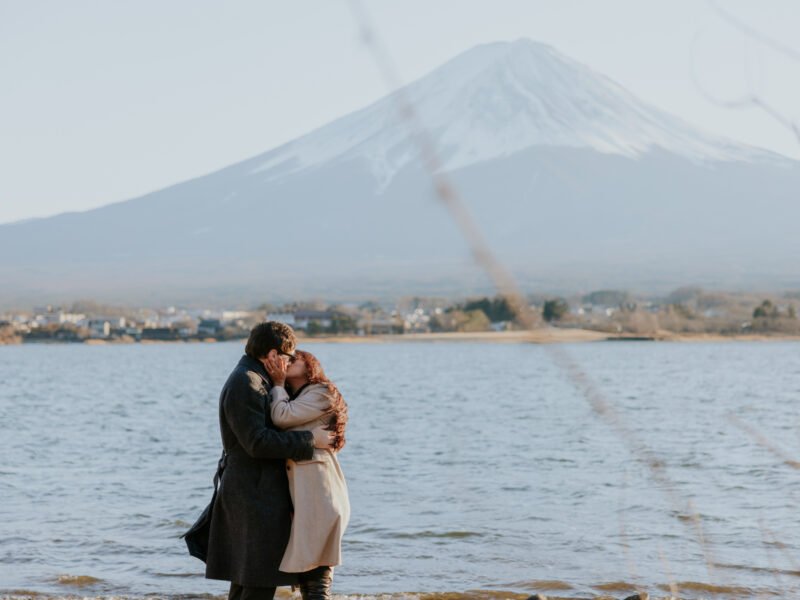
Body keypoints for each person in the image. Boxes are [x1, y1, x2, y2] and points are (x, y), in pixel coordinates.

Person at [205, 321, 334, 600]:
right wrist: (312, 440)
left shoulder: (252, 377)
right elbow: (257, 442)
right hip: (254, 495)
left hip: (254, 491)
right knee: (257, 583)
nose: (288, 366)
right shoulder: (247, 382)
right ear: (274, 354)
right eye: (288, 357)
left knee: (248, 582)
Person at [264, 350, 350, 600]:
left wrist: (278, 383)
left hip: (321, 492)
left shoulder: (322, 392)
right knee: (308, 577)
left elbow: (281, 417)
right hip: (307, 493)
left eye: (294, 358)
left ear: (310, 364)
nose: (287, 361)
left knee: (317, 575)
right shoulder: (297, 396)